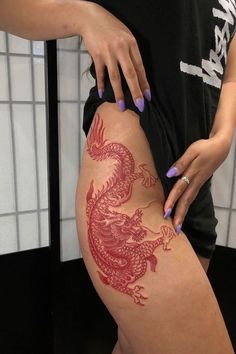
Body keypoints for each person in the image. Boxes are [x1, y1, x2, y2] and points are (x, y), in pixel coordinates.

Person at [1, 1, 235, 353]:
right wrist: (85, 16)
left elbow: (230, 70)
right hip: (129, 183)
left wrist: (223, 138)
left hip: (193, 194)